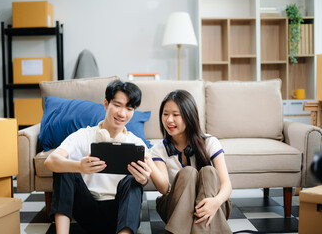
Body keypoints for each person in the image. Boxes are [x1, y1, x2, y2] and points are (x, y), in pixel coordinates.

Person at [44, 80, 152, 234]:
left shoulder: (136, 143)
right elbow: (51, 161)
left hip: (119, 214)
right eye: (117, 105)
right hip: (87, 209)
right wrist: (78, 167)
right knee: (64, 167)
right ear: (106, 104)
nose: (122, 114)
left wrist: (143, 179)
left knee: (133, 181)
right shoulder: (83, 135)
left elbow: (147, 178)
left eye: (129, 108)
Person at [148, 90, 232, 234]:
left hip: (213, 206)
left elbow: (227, 184)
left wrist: (216, 202)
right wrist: (147, 160)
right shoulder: (158, 150)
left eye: (176, 115)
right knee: (188, 172)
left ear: (189, 116)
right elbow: (163, 189)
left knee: (209, 171)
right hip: (174, 207)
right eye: (165, 114)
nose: (169, 120)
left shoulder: (210, 142)